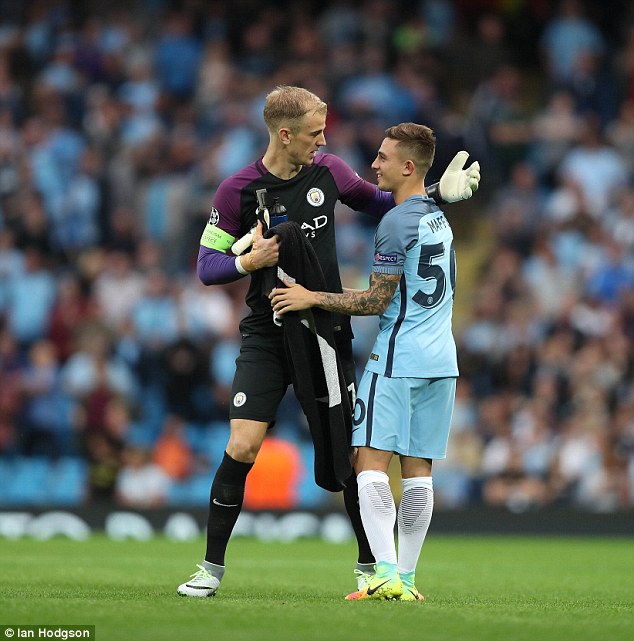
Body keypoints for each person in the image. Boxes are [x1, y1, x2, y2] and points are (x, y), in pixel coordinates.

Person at [177, 86, 479, 598]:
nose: (324, 139)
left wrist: (436, 195)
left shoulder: (331, 172)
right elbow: (207, 267)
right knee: (243, 444)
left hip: (324, 334)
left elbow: (388, 202)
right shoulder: (237, 190)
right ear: (285, 134)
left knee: (347, 457)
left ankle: (371, 567)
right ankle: (211, 569)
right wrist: (250, 262)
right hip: (267, 333)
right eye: (316, 132)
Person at [270, 122, 462, 601]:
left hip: (399, 357)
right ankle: (411, 580)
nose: (373, 164)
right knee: (418, 470)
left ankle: (385, 573)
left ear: (408, 166)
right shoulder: (437, 216)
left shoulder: (394, 223)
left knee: (368, 463)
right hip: (442, 360)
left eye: (381, 157)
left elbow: (376, 301)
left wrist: (310, 295)